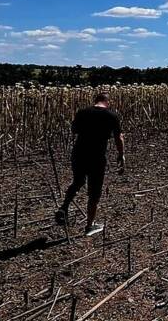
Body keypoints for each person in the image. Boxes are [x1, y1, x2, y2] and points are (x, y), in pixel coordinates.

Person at [55, 93, 125, 236]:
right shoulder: (111, 116)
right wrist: (121, 155)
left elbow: (73, 130)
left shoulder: (83, 112)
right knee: (94, 192)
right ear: (107, 101)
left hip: (79, 153)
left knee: (78, 181)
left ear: (95, 101)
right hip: (97, 156)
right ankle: (89, 226)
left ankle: (64, 206)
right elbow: (119, 137)